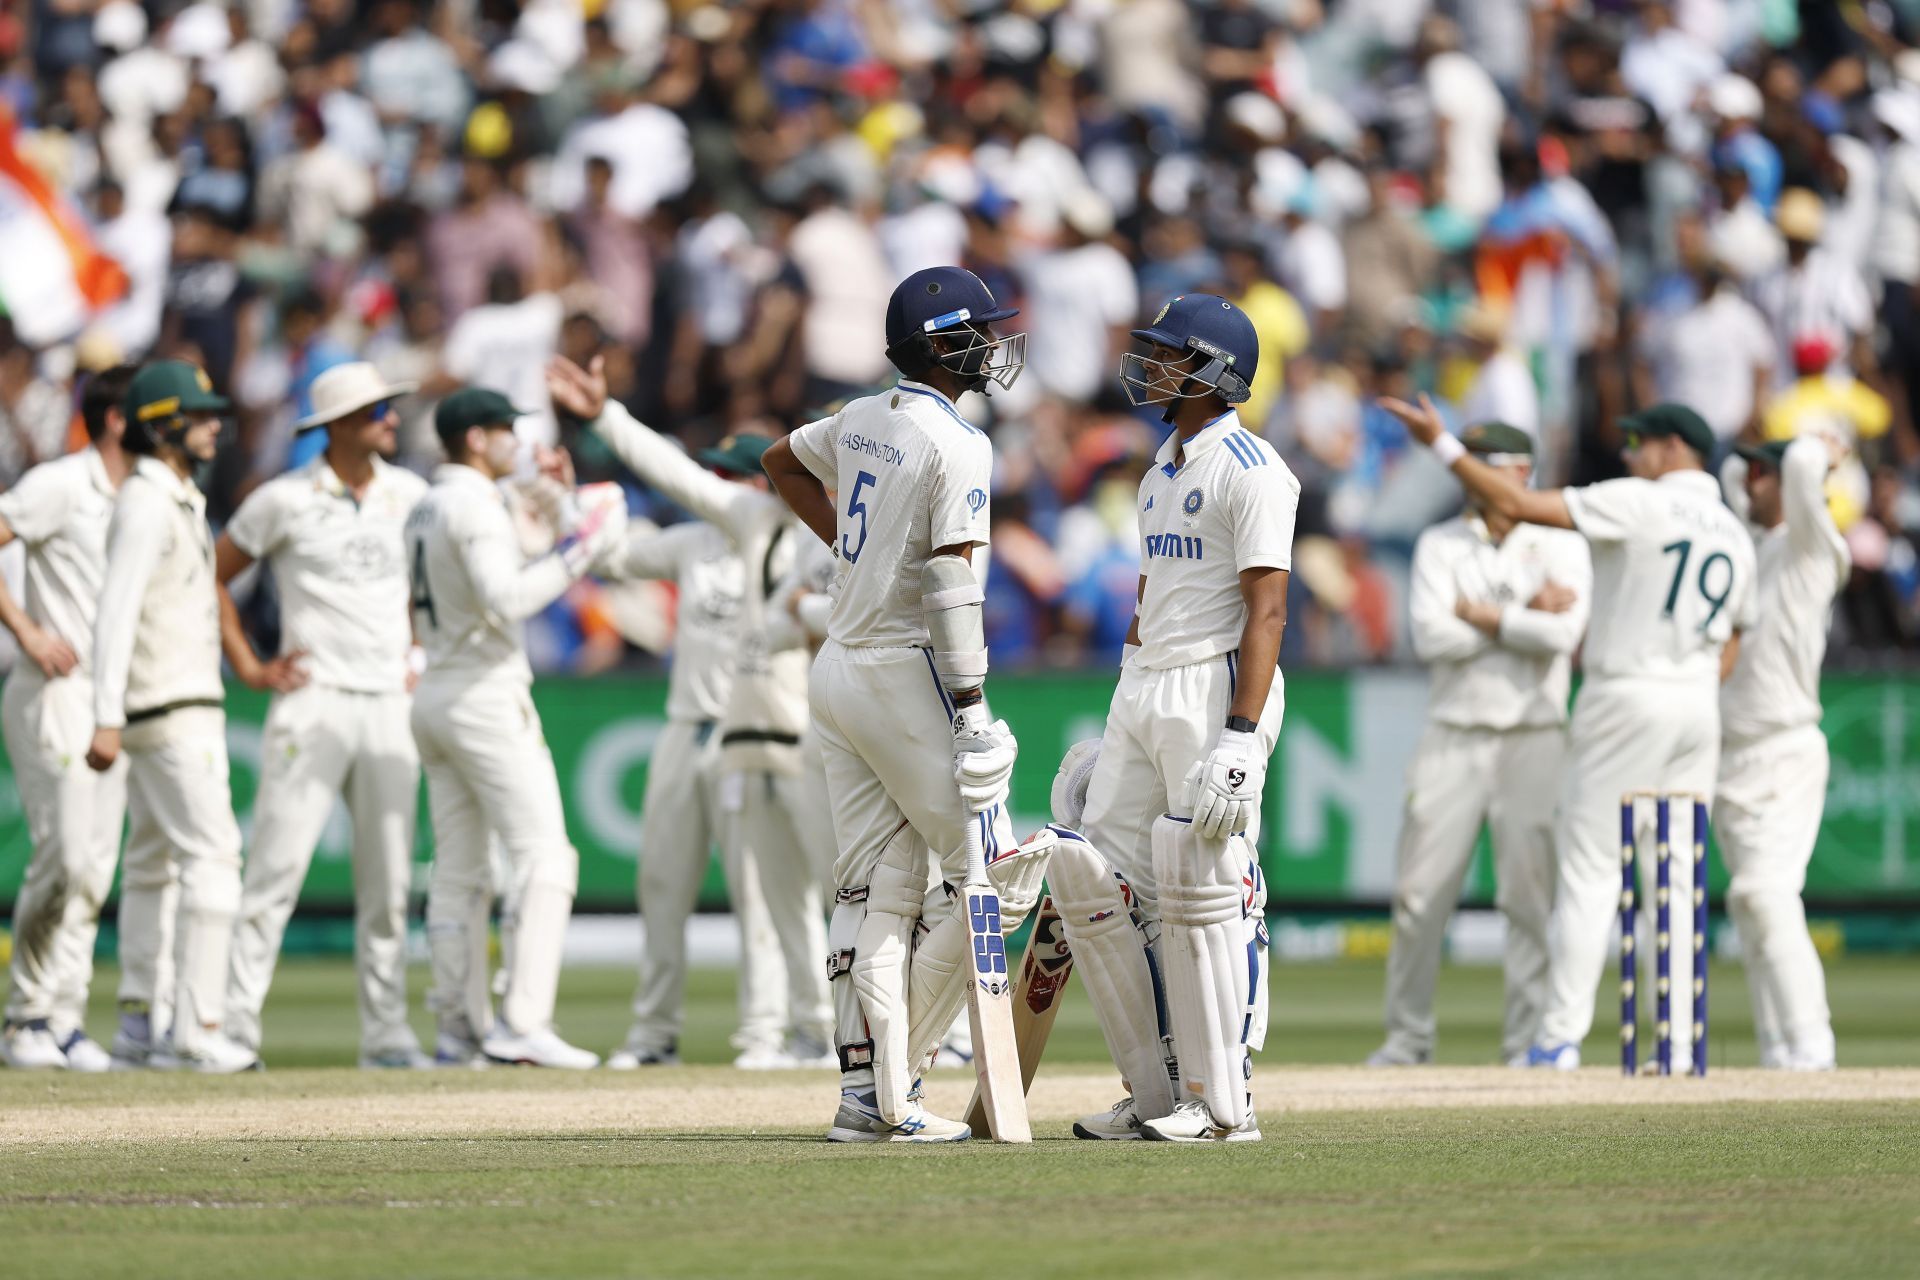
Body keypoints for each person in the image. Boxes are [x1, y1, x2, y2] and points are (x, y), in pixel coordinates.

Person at [761, 266, 1053, 1143]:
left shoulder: (860, 416)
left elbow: (781, 460)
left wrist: (858, 552)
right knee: (995, 877)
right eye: (979, 332)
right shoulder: (959, 442)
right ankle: (896, 1083)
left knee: (873, 889)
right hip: (903, 668)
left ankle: (863, 1097)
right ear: (941, 344)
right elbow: (955, 584)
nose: (994, 346)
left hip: (839, 668)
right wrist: (971, 709)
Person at [1379, 397, 1755, 1073]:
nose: (1632, 457)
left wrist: (1440, 444)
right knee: (1671, 872)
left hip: (1622, 695)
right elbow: (1735, 636)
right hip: (1695, 702)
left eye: (1641, 445)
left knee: (1587, 873)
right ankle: (1674, 1043)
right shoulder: (1732, 530)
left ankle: (1554, 1039)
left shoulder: (1640, 503)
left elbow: (1549, 583)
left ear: (1673, 448)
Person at [1056, 293, 1299, 1143]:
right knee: (1098, 879)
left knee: (1210, 892)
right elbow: (1150, 597)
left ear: (1211, 369)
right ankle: (1158, 1090)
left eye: (1168, 353)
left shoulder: (1255, 469)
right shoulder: (1162, 467)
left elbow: (1266, 613)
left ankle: (1226, 1098)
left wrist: (1241, 737)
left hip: (1212, 687)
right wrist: (1124, 704)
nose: (1151, 365)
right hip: (1147, 685)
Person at [546, 354, 834, 1070]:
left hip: (781, 731)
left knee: (773, 897)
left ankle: (777, 1033)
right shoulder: (715, 532)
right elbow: (627, 540)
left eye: (730, 475)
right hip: (694, 725)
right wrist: (580, 467)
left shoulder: (801, 533)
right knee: (664, 885)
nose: (719, 486)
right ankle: (655, 1035)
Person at [216, 362, 431, 1068]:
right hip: (312, 700)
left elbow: (437, 588)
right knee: (274, 872)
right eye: (378, 412)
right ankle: (232, 1030)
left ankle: (388, 1034)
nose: (393, 421)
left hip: (390, 705)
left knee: (389, 883)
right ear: (339, 426)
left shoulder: (413, 495)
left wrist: (420, 652)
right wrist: (249, 664)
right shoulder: (283, 500)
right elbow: (211, 575)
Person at [405, 387, 625, 1068]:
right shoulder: (472, 504)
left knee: (460, 869)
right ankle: (521, 1021)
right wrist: (576, 552)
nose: (514, 440)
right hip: (483, 695)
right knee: (545, 857)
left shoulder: (424, 503)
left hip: (436, 691)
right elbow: (506, 599)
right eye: (504, 430)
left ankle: (457, 1030)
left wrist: (557, 506)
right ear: (475, 438)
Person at [1366, 423, 1591, 1069]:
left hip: (1533, 733)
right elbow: (1431, 639)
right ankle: (1408, 1040)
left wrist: (1484, 614)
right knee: (1418, 896)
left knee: (1527, 896)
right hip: (1454, 730)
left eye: (1493, 469)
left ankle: (1526, 1043)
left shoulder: (1557, 539)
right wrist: (1525, 611)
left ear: (1521, 474)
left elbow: (1563, 635)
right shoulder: (1441, 543)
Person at [86, 360, 256, 1072]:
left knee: (154, 864)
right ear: (162, 426)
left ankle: (140, 1024)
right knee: (214, 856)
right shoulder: (148, 501)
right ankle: (196, 1028)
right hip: (170, 706)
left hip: (169, 702)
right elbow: (115, 611)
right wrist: (103, 715)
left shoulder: (176, 497)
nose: (215, 423)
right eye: (201, 413)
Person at [0, 366, 137, 1071]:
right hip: (53, 689)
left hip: (114, 700)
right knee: (64, 855)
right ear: (118, 418)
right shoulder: (61, 483)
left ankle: (65, 1015)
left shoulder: (152, 495)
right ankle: (24, 1013)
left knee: (95, 869)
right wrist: (25, 630)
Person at [1716, 437, 1848, 1069]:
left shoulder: (1813, 549)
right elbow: (1728, 470)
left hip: (1785, 747)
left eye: (1765, 472)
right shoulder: (1750, 546)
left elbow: (1798, 469)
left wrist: (1818, 452)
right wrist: (1761, 465)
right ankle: (1777, 1045)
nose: (1752, 479)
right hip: (1730, 752)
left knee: (1765, 892)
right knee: (1747, 907)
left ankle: (1812, 1041)